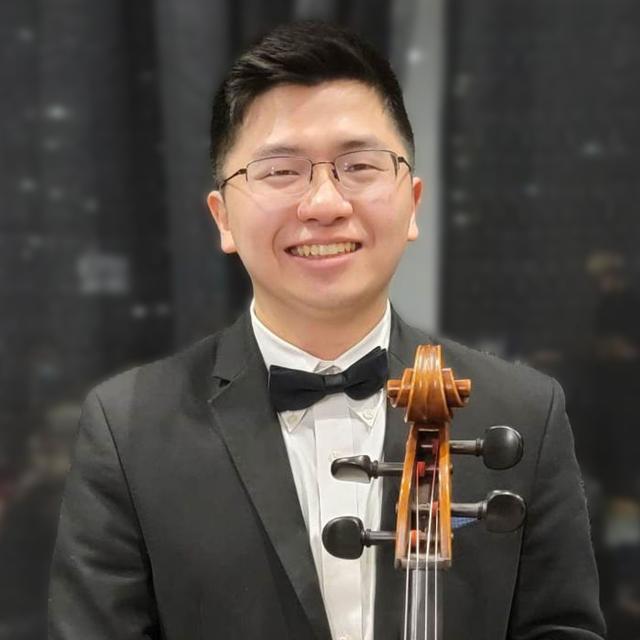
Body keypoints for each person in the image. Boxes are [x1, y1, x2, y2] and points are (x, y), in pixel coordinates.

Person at [48, 21, 605, 640]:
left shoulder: (527, 412)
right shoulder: (126, 428)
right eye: (280, 171)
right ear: (222, 218)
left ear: (412, 201)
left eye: (359, 165)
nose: (323, 203)